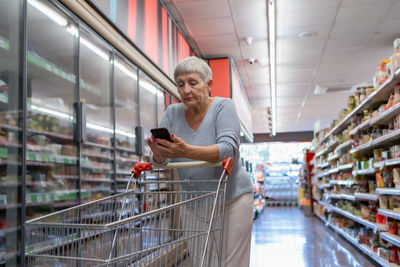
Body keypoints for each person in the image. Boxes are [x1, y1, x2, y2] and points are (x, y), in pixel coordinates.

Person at [146, 56, 253, 267]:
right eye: (180, 84)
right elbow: (159, 162)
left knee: (232, 263)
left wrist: (186, 150)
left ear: (209, 84)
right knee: (202, 262)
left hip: (231, 200)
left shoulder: (224, 106)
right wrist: (159, 154)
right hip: (192, 202)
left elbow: (228, 149)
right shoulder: (172, 113)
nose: (186, 90)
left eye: (193, 83)